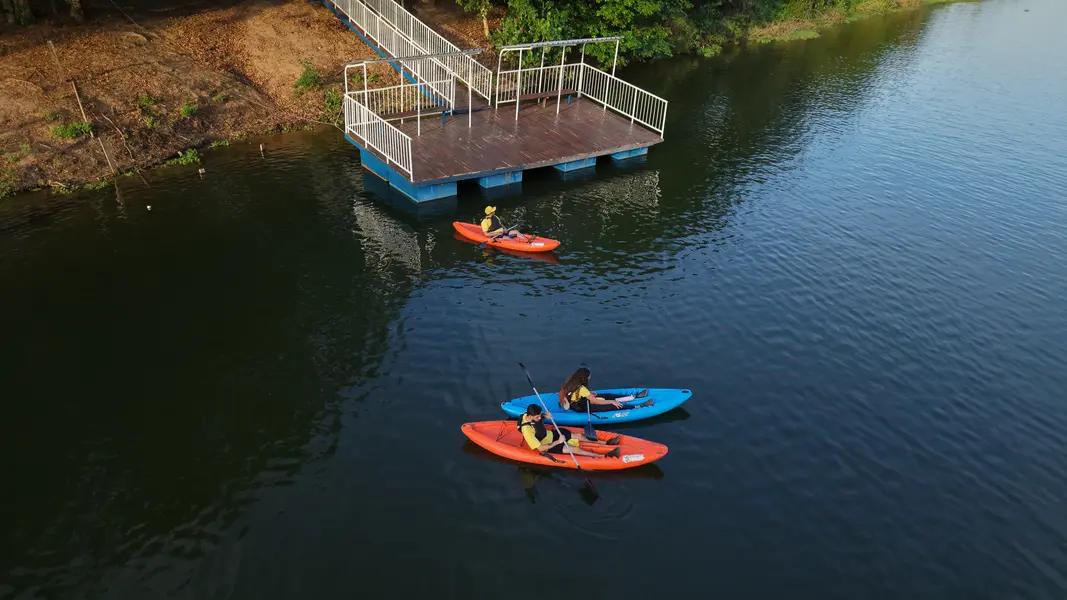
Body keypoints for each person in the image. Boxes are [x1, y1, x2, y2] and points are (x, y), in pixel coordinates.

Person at [518, 404, 621, 458]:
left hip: (550, 434)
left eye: (539, 415)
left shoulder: (531, 415)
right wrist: (558, 442)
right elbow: (540, 448)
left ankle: (607, 443)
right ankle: (605, 455)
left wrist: (545, 415)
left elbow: (539, 418)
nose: (539, 418)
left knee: (580, 436)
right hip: (547, 444)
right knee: (575, 449)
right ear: (530, 416)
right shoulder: (527, 430)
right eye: (537, 417)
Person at [559, 367, 652, 413]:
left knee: (607, 395)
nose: (590, 377)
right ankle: (638, 406)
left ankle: (634, 396)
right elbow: (596, 402)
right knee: (612, 405)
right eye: (589, 376)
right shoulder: (582, 389)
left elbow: (563, 393)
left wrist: (589, 394)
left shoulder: (569, 382)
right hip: (580, 406)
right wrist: (611, 402)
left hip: (579, 401)